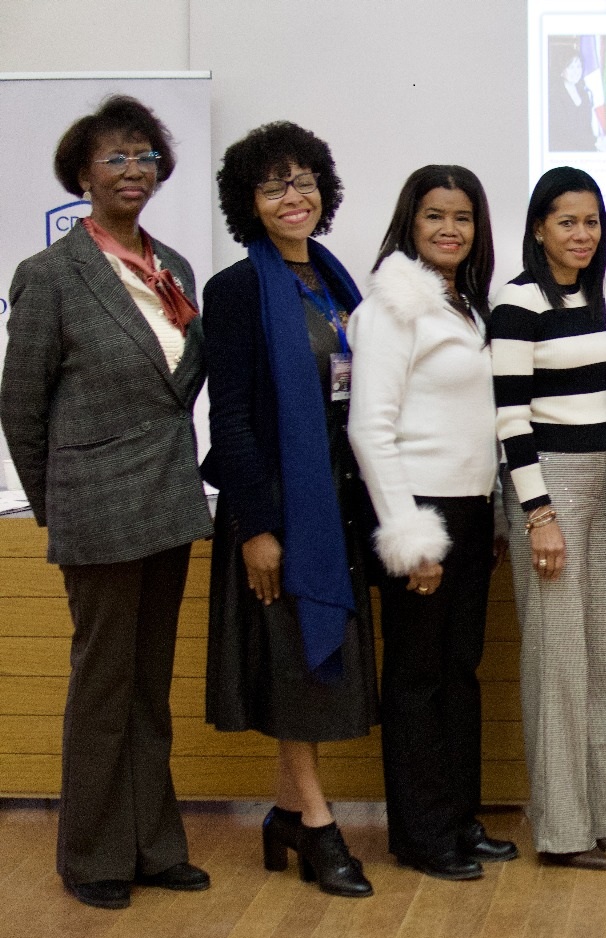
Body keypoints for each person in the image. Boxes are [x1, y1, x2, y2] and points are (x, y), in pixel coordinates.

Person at [1, 96, 212, 909]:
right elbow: (20, 408)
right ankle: (92, 856)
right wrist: (58, 506)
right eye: (115, 157)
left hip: (168, 499)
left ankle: (154, 846)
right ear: (82, 175)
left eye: (145, 156)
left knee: (148, 685)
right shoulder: (51, 274)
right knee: (102, 686)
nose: (133, 170)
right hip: (96, 510)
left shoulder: (174, 267)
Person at [202, 122, 377, 898]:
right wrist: (258, 527)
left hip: (336, 502)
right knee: (294, 665)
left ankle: (283, 812)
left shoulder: (337, 285)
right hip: (278, 509)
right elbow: (231, 418)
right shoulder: (237, 290)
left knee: (303, 667)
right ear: (249, 202)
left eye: (303, 181)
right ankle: (316, 821)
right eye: (273, 185)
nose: (292, 197)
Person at [347, 165, 517, 881]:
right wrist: (411, 539)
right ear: (409, 224)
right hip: (419, 512)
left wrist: (494, 516)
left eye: (463, 217)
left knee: (458, 672)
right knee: (418, 679)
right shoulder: (396, 305)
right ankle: (420, 835)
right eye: (435, 216)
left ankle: (457, 819)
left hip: (471, 512)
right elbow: (369, 428)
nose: (450, 229)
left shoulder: (467, 306)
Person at [490, 167, 606, 871]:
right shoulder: (517, 302)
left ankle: (598, 814)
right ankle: (561, 829)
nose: (582, 234)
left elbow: (602, 399)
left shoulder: (591, 297)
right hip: (549, 487)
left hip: (602, 485)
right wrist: (537, 512)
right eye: (567, 222)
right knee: (558, 663)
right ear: (539, 228)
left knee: (604, 658)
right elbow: (509, 416)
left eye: (592, 221)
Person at [549, 45, 596, 152]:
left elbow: (587, 127)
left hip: (585, 150)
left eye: (579, 66)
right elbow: (563, 130)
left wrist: (595, 144)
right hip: (562, 151)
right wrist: (595, 142)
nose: (576, 71)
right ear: (561, 70)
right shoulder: (554, 94)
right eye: (571, 67)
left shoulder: (584, 93)